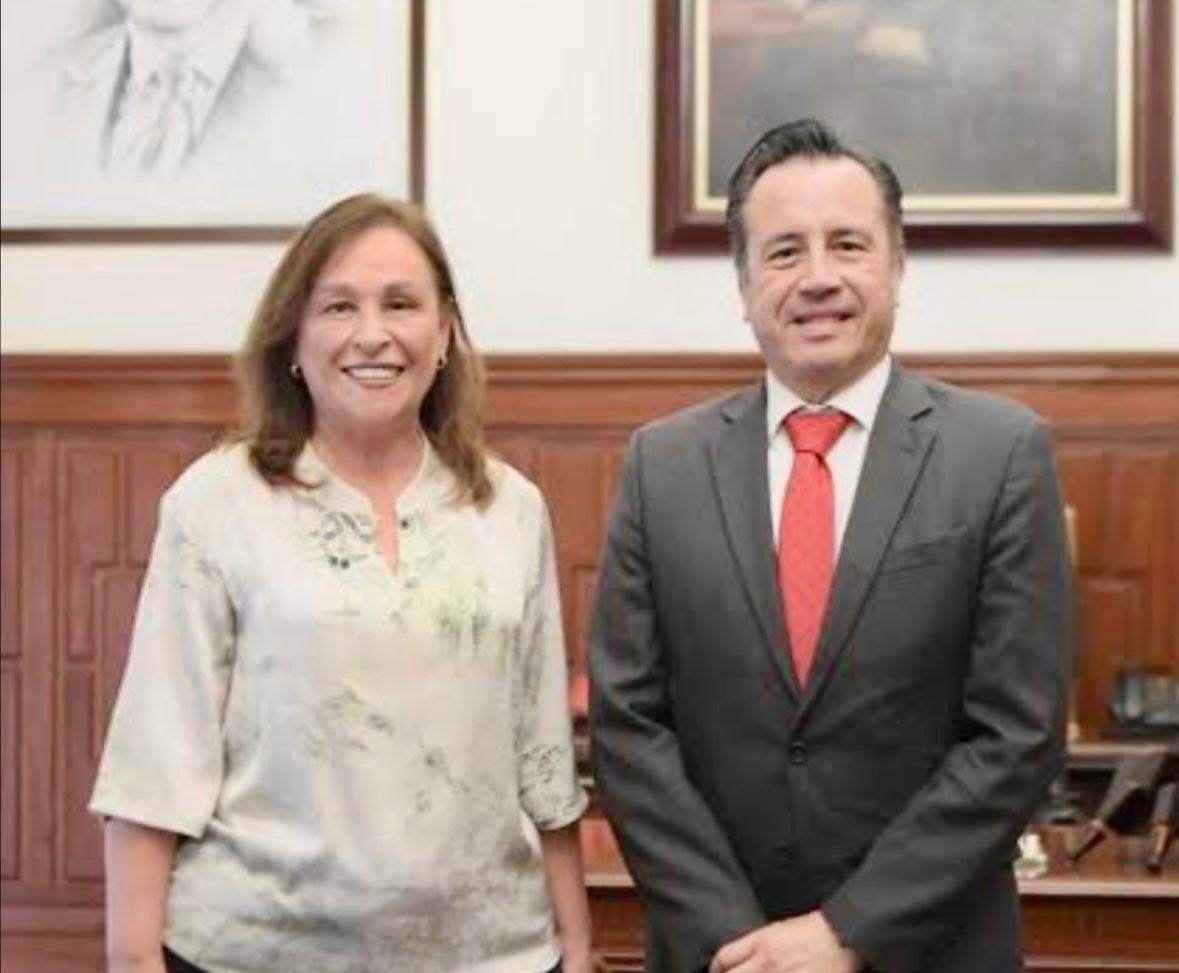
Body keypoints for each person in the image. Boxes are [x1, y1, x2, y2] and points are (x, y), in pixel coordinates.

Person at [589, 119, 1072, 973]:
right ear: (743, 286)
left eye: (847, 244)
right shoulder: (660, 465)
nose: (817, 277)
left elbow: (1016, 735)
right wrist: (739, 944)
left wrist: (845, 932)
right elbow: (629, 729)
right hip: (719, 954)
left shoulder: (999, 454)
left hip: (929, 949)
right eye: (783, 252)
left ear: (896, 267)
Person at [90, 193, 591, 973]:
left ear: (444, 333)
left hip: (494, 953)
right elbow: (157, 755)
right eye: (337, 306)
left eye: (401, 304)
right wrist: (131, 957)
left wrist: (578, 943)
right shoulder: (216, 502)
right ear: (293, 336)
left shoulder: (510, 508)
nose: (372, 333)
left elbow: (543, 758)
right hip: (251, 952)